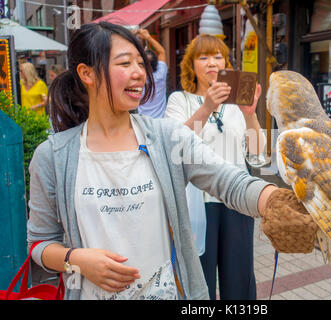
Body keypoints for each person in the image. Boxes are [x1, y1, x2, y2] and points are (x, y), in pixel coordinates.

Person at [26, 22, 293, 300]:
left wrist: (278, 201)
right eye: (125, 63)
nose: (139, 73)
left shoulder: (166, 136)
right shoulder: (53, 155)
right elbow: (40, 243)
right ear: (87, 73)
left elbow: (229, 180)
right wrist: (77, 259)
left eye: (141, 63)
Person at [165, 34, 266, 300]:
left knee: (240, 279)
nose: (212, 62)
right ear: (191, 65)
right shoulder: (180, 100)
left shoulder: (236, 106)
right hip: (196, 205)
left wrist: (250, 114)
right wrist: (208, 106)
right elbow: (175, 147)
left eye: (218, 56)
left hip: (237, 200)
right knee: (201, 280)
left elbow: (258, 155)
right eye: (204, 57)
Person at [135, 28, 168, 118]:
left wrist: (133, 38)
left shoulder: (137, 78)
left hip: (143, 122)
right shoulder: (161, 74)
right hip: (160, 122)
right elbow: (162, 52)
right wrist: (148, 37)